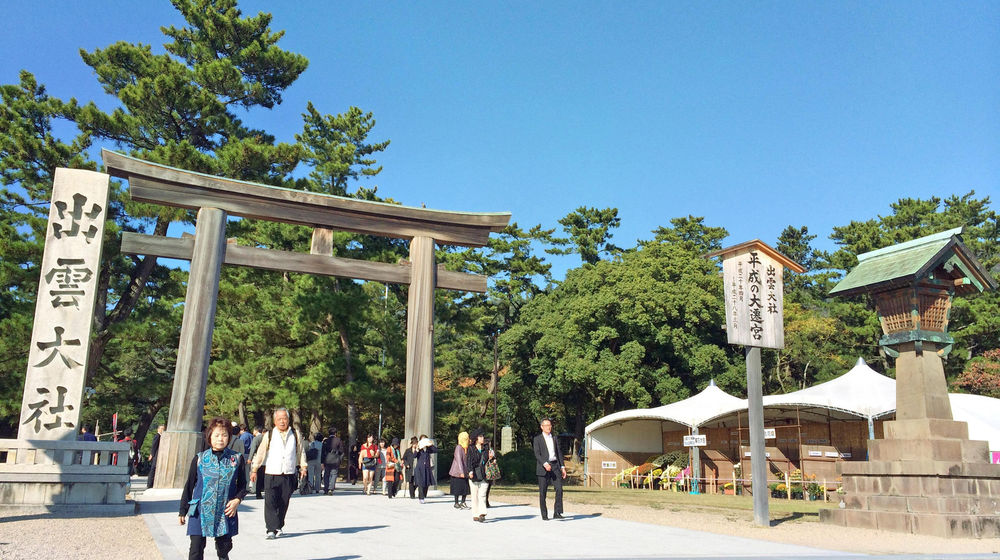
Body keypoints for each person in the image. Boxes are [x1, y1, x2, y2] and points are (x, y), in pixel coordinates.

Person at [178, 417, 247, 560]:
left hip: (224, 509)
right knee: (196, 549)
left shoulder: (236, 459)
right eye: (216, 435)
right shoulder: (200, 458)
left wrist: (237, 500)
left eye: (224, 435)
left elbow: (242, 485)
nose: (220, 439)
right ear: (209, 436)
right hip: (200, 510)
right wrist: (182, 510)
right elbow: (190, 485)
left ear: (229, 437)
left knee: (224, 549)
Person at [249, 408, 307, 539]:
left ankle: (278, 525)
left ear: (288, 420)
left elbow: (300, 451)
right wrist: (254, 469)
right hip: (272, 472)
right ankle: (270, 529)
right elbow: (261, 452)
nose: (282, 421)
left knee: (284, 501)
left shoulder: (295, 433)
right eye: (279, 419)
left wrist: (303, 466)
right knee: (270, 501)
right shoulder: (269, 435)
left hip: (288, 473)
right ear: (275, 421)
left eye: (284, 418)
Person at [532, 418, 566, 520]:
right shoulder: (537, 439)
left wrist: (562, 467)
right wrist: (545, 463)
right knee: (543, 492)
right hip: (544, 467)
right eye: (546, 425)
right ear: (542, 427)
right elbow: (537, 454)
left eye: (550, 425)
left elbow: (559, 453)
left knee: (559, 488)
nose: (549, 427)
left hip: (555, 466)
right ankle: (544, 514)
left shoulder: (554, 438)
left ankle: (557, 512)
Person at [466, 430, 493, 522]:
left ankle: (482, 513)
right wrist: (469, 471)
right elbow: (468, 460)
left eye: (483, 436)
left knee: (482, 495)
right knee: (474, 495)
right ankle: (475, 514)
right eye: (480, 436)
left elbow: (492, 459)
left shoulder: (486, 447)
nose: (482, 438)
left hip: (484, 474)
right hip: (474, 474)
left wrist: (491, 458)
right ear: (476, 438)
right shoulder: (471, 448)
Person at [449, 431, 470, 510]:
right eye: (466, 438)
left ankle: (463, 502)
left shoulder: (466, 448)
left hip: (465, 470)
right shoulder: (458, 447)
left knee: (465, 487)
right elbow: (459, 460)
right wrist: (461, 472)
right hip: (457, 471)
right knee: (457, 487)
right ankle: (456, 502)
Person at [414, 435, 437, 503]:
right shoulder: (419, 449)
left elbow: (436, 450)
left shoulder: (428, 449)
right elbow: (414, 456)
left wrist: (430, 444)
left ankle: (424, 495)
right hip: (420, 468)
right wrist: (417, 449)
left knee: (426, 483)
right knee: (420, 483)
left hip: (427, 468)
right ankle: (421, 497)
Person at [321, 428, 343, 495]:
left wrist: (322, 462)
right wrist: (340, 459)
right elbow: (341, 450)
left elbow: (322, 452)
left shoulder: (326, 441)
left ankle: (326, 489)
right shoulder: (338, 440)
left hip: (327, 459)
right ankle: (331, 488)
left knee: (326, 474)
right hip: (335, 458)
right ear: (335, 433)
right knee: (334, 474)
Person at [247, 426, 264, 499]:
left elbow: (253, 449)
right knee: (262, 476)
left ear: (256, 431)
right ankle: (261, 489)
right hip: (265, 459)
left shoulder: (256, 438)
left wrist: (249, 458)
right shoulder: (264, 437)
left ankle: (257, 491)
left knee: (256, 475)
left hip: (257, 458)